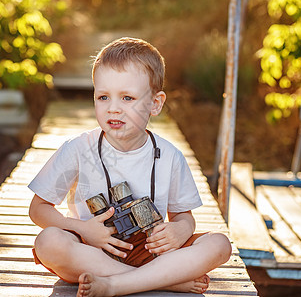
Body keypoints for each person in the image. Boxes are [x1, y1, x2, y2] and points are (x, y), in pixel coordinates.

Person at [28, 37, 232, 296]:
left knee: (219, 244)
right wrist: (84, 230)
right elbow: (38, 209)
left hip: (152, 252)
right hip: (91, 253)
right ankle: (164, 281)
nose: (113, 108)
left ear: (155, 103)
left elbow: (184, 216)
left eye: (127, 98)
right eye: (103, 97)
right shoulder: (78, 149)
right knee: (48, 242)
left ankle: (114, 285)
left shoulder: (170, 156)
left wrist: (181, 230)